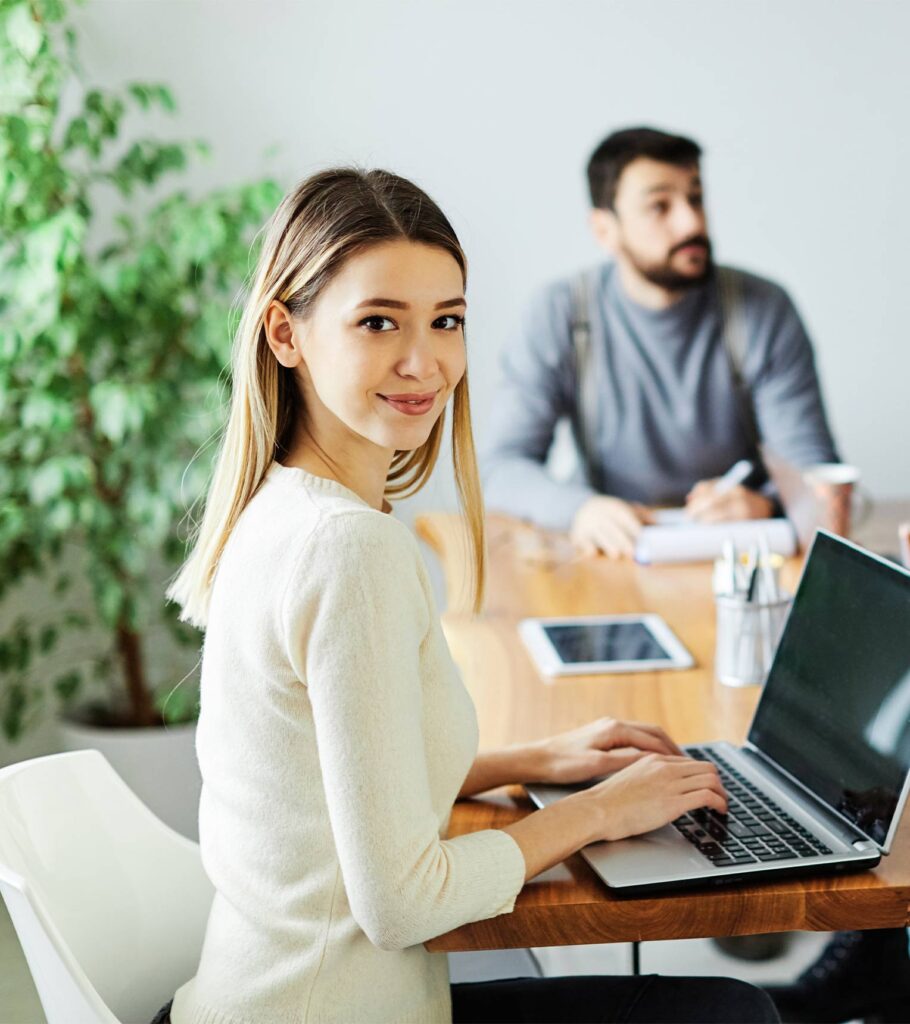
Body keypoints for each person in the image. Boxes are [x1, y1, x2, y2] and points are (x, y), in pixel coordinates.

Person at [155, 169, 778, 1024]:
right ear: (285, 333)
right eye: (379, 322)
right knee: (731, 1016)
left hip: (267, 998)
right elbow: (405, 900)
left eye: (446, 320)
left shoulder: (290, 509)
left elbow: (332, 775)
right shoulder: (346, 549)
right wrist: (600, 811)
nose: (425, 362)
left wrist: (534, 761)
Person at [483, 127, 840, 558]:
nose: (692, 222)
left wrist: (763, 503)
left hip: (735, 555)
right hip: (610, 555)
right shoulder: (560, 313)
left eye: (695, 198)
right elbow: (500, 468)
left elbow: (815, 474)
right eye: (659, 206)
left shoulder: (763, 309)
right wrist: (580, 510)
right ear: (604, 230)